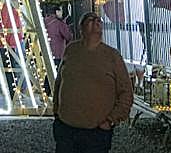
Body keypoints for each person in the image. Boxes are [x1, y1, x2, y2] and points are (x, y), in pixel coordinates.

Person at [53, 11, 133, 153]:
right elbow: (60, 81)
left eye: (98, 20)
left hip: (96, 130)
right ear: (81, 27)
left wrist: (111, 120)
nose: (96, 21)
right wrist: (56, 110)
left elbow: (126, 91)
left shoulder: (112, 56)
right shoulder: (71, 50)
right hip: (66, 126)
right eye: (91, 19)